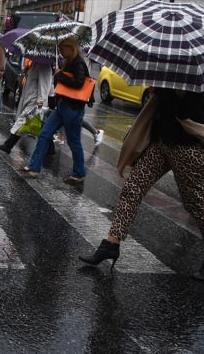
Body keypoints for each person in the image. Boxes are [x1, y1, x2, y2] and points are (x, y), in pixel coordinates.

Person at [79, 89, 204, 279]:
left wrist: (178, 95)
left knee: (196, 203)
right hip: (161, 142)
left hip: (186, 147)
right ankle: (111, 244)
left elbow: (188, 111)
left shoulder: (196, 81)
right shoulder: (169, 77)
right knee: (132, 188)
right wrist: (160, 90)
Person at [22, 38, 89, 184]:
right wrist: (59, 74)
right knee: (45, 134)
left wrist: (60, 75)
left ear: (71, 48)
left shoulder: (78, 63)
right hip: (62, 105)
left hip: (73, 108)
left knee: (73, 142)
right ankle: (34, 166)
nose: (61, 52)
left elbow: (79, 83)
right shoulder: (67, 62)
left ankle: (79, 173)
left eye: (63, 49)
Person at [0, 58, 53, 154]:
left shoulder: (44, 66)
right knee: (42, 125)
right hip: (28, 99)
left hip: (35, 102)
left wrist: (40, 106)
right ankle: (51, 148)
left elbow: (44, 88)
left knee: (22, 122)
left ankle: (8, 145)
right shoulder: (35, 63)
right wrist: (26, 72)